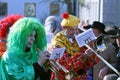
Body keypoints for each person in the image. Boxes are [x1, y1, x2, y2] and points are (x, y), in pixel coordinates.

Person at [50, 12, 99, 80]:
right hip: (63, 77)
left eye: (76, 29)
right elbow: (64, 63)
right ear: (64, 28)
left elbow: (91, 63)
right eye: (72, 29)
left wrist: (92, 47)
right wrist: (83, 56)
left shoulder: (78, 38)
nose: (75, 32)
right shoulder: (58, 40)